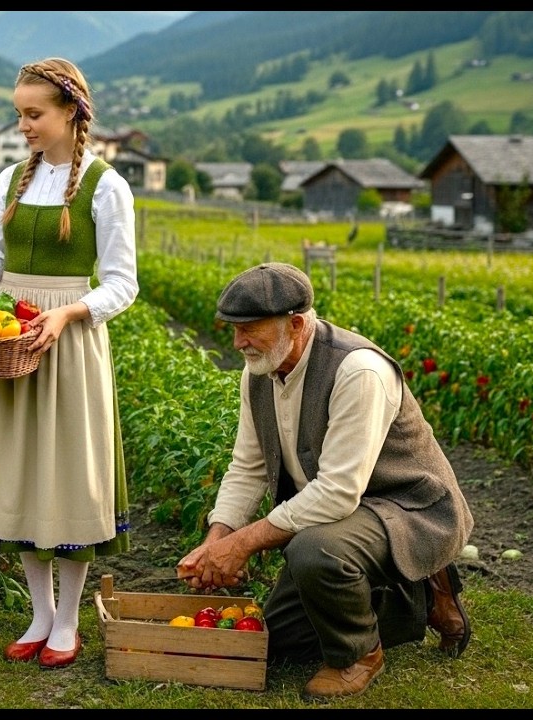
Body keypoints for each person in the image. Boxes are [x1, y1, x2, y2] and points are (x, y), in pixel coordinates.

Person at [176, 262, 473, 700]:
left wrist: (241, 545)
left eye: (249, 329)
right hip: (344, 516)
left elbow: (337, 492)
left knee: (314, 552)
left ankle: (358, 654)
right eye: (233, 329)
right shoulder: (260, 371)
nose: (238, 343)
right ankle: (420, 596)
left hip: (408, 508)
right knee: (283, 638)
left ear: (295, 324)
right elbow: (249, 465)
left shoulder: (358, 371)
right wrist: (216, 538)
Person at [0, 57, 138, 670]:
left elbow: (123, 285)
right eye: (18, 112)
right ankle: (40, 614)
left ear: (71, 112)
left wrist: (70, 314)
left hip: (67, 342)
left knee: (67, 478)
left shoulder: (105, 185)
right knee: (23, 475)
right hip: (14, 339)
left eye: (33, 113)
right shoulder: (10, 180)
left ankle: (70, 620)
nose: (22, 124)